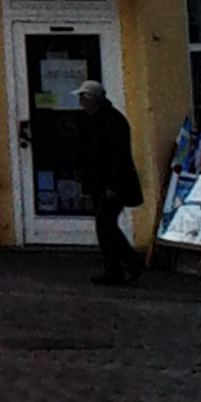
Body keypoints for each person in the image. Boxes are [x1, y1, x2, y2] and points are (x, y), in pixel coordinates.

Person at [71, 78, 146, 285]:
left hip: (112, 184)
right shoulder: (95, 120)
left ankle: (129, 261)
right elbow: (88, 153)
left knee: (105, 226)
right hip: (99, 182)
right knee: (105, 226)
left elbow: (119, 156)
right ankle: (115, 268)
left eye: (83, 97)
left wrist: (113, 185)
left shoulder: (113, 121)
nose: (80, 102)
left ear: (93, 98)